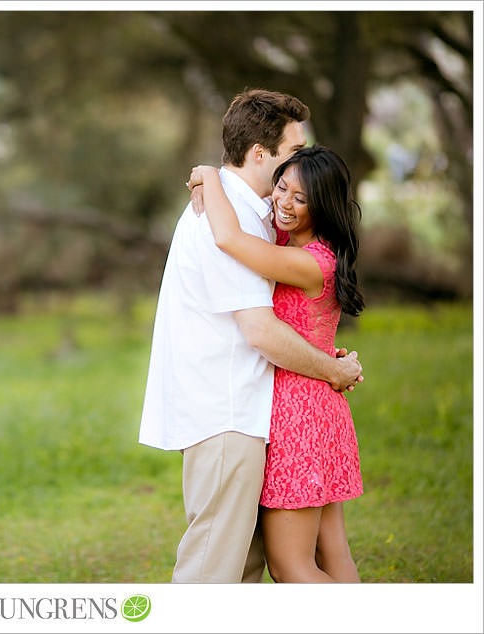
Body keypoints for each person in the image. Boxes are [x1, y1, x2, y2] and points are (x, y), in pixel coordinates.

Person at [138, 89, 363, 584]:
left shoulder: (253, 214)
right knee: (213, 572)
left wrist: (207, 174)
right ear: (260, 154)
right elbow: (260, 330)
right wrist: (334, 369)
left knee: (245, 570)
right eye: (293, 151)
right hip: (227, 411)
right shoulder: (232, 214)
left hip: (259, 413)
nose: (299, 164)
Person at [187, 145, 365, 582]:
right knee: (331, 555)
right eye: (281, 187)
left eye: (300, 198)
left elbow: (228, 238)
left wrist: (211, 175)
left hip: (300, 416)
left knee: (291, 566)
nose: (284, 202)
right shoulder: (298, 244)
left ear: (321, 206)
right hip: (317, 406)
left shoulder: (310, 262)